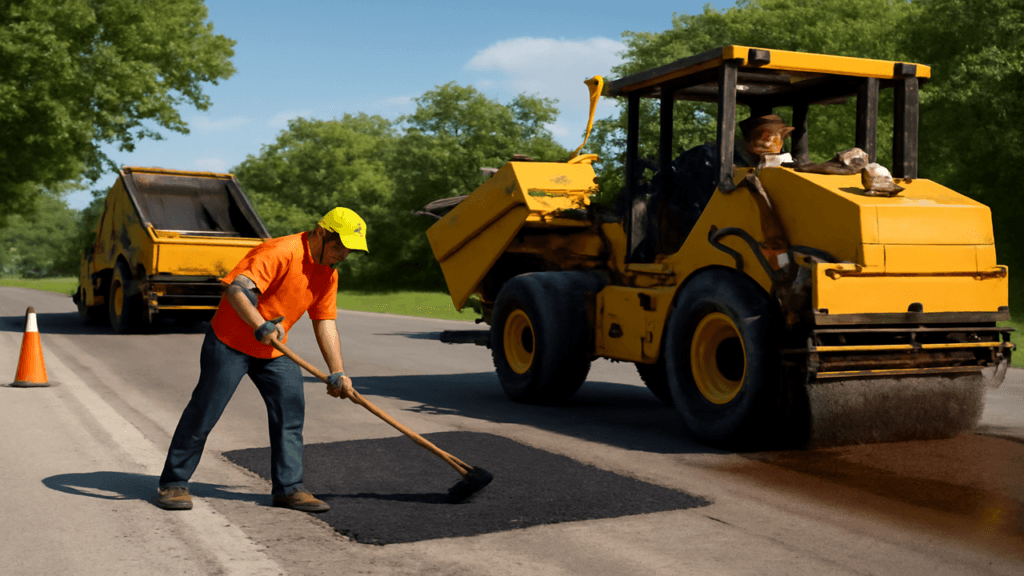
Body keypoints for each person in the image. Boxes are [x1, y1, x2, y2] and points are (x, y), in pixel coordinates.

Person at [155, 207, 368, 513]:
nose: (343, 255)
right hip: (229, 342)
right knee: (205, 411)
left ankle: (289, 489)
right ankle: (173, 483)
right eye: (339, 246)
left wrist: (338, 372)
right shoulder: (280, 251)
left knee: (290, 414)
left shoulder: (327, 273)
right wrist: (260, 325)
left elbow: (325, 321)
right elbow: (237, 290)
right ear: (320, 233)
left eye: (349, 250)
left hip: (273, 351)